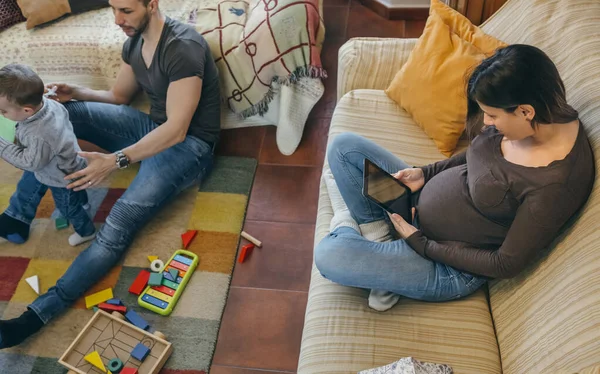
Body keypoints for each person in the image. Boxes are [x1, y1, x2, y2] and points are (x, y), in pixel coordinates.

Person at [0, 0, 220, 348]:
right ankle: (17, 216)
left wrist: (115, 160)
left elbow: (178, 130)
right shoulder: (133, 41)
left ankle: (35, 316)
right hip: (149, 127)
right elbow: (118, 96)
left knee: (117, 223)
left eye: (127, 11)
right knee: (58, 115)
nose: (118, 20)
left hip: (188, 148)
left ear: (152, 4)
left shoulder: (183, 48)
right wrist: (77, 93)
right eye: (114, 9)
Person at [315, 44, 595, 312]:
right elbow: (479, 155)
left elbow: (505, 264)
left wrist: (421, 244)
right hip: (414, 203)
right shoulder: (537, 116)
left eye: (492, 115)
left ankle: (351, 223)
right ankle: (382, 244)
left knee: (329, 256)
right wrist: (426, 173)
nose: (486, 122)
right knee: (344, 147)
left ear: (524, 111)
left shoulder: (553, 186)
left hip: (444, 264)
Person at [0, 64, 96, 247]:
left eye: (4, 111)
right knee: (78, 191)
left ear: (27, 110)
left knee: (67, 207)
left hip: (60, 176)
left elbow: (30, 163)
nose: (2, 115)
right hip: (73, 160)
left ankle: (86, 231)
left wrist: (2, 146)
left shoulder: (37, 134)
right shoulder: (49, 103)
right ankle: (84, 205)